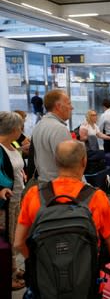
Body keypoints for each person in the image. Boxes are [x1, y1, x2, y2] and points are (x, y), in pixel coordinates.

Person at [14, 140, 110, 282]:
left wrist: (36, 261)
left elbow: (18, 243)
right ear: (84, 161)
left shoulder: (34, 194)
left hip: (46, 277)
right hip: (84, 275)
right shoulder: (97, 197)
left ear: (56, 162)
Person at [0, 111, 26, 291]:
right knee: (8, 239)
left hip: (17, 199)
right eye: (21, 127)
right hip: (6, 203)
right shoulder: (0, 148)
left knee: (15, 236)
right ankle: (7, 276)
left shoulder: (12, 143)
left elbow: (20, 153)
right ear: (14, 129)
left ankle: (14, 269)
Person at [31, 89, 73, 182]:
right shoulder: (59, 129)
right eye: (69, 104)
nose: (72, 107)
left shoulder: (39, 125)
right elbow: (70, 166)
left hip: (45, 186)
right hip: (60, 187)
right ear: (58, 106)